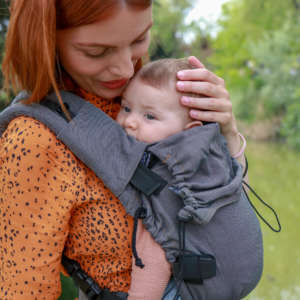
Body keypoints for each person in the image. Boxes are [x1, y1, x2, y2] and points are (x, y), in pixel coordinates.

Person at [0, 1, 247, 299]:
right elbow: (23, 290)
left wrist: (226, 134)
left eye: (139, 39)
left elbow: (227, 216)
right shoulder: (34, 142)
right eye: (96, 52)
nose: (126, 68)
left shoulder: (153, 100)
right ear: (45, 39)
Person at [117, 58, 249, 300]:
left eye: (149, 116)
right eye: (126, 108)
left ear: (188, 130)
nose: (129, 122)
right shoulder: (212, 162)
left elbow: (153, 257)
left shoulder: (164, 179)